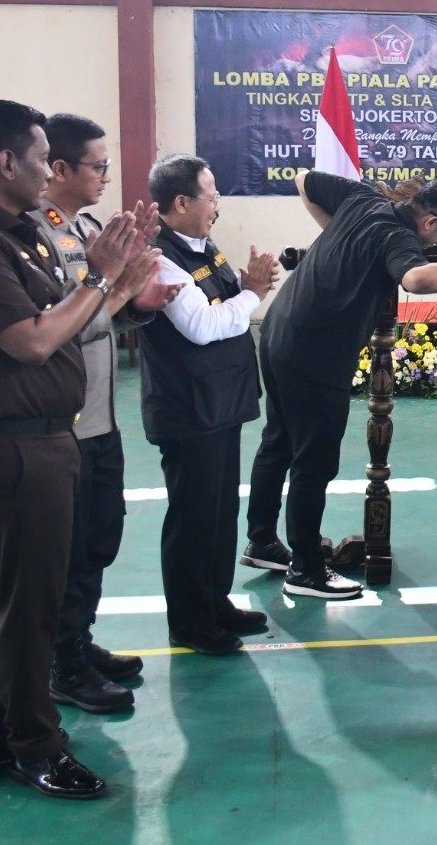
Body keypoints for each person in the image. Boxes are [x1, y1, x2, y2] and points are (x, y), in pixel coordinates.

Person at [0, 99, 159, 799]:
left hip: (36, 440)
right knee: (28, 610)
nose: (47, 171)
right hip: (10, 448)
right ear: (6, 163)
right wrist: (98, 278)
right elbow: (31, 341)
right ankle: (36, 747)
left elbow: (69, 324)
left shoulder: (13, 235)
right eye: (37, 159)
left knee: (5, 599)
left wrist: (115, 284)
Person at [244, 173, 437, 598]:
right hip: (315, 353)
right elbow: (416, 279)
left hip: (277, 333)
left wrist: (340, 237)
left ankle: (262, 543)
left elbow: (304, 180)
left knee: (278, 441)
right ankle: (306, 571)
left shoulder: (360, 198)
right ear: (430, 222)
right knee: (313, 462)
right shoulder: (397, 239)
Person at [31, 114, 179, 712]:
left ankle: (77, 640)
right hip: (59, 425)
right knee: (63, 550)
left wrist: (137, 301)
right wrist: (110, 286)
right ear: (58, 168)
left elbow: (102, 320)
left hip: (99, 418)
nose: (106, 176)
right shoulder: (34, 237)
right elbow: (54, 326)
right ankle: (59, 664)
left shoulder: (93, 230)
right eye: (98, 165)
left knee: (98, 539)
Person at [140, 154, 279, 654]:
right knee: (193, 519)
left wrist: (243, 290)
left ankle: (215, 602)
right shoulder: (160, 258)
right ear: (181, 202)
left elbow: (222, 305)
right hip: (189, 410)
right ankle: (190, 621)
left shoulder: (201, 246)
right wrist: (252, 294)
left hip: (219, 404)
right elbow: (202, 326)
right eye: (211, 196)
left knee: (220, 513)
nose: (217, 206)